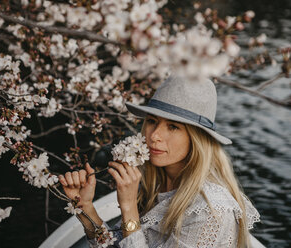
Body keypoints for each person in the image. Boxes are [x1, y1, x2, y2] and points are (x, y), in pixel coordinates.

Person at [58, 76, 261, 247]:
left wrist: (129, 206)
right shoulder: (156, 183)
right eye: (152, 121)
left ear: (196, 139)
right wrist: (85, 207)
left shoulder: (211, 212)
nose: (154, 135)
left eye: (173, 127)